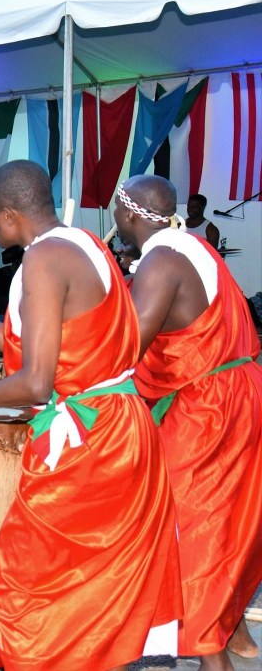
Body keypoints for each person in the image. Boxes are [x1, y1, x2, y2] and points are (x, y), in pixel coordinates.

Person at [0, 161, 182, 669]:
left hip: (90, 437)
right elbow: (45, 351)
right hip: (120, 424)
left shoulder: (42, 260)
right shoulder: (84, 243)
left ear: (8, 215)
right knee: (97, 578)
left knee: (27, 572)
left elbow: (37, 381)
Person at [115, 175, 262, 669]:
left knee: (190, 526)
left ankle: (211, 653)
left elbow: (125, 350)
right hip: (240, 390)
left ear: (129, 214)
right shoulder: (195, 248)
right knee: (231, 519)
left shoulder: (160, 261)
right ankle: (233, 626)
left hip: (207, 409)